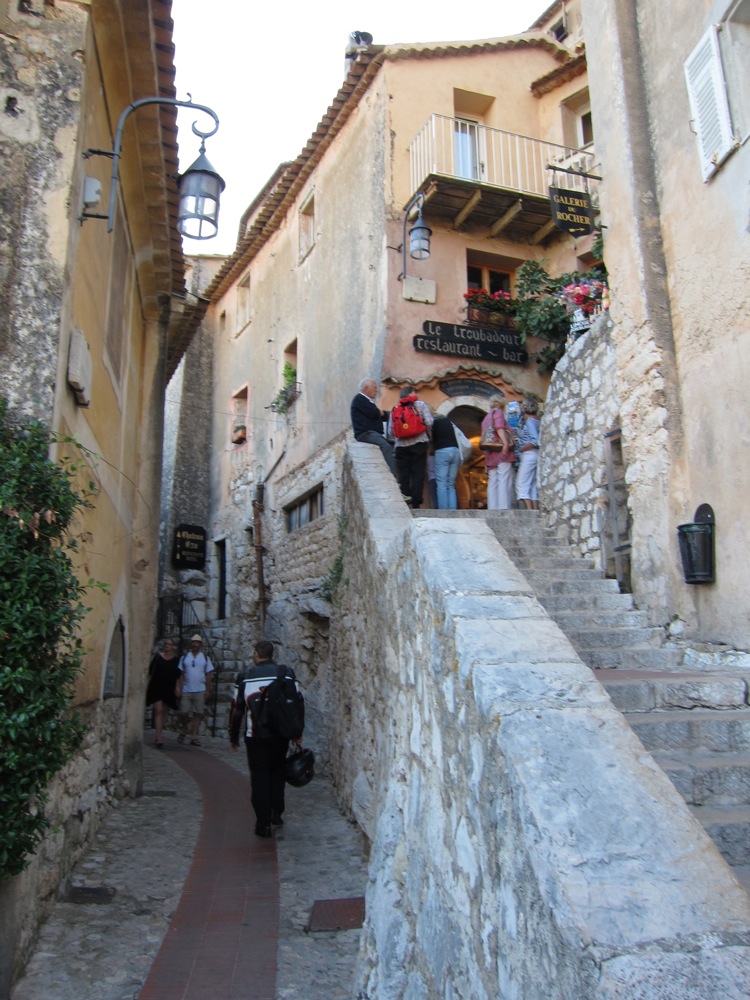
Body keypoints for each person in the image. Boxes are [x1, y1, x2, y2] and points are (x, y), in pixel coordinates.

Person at [229, 640, 301, 838]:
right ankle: (276, 813)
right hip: (280, 734)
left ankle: (263, 823)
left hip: (256, 735)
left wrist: (233, 737)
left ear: (256, 654)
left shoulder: (245, 678)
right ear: (272, 654)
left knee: (259, 777)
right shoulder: (287, 674)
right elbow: (297, 703)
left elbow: (236, 709)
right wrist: (297, 733)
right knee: (277, 772)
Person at [387, 385, 433, 509]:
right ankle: (416, 503)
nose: (417, 395)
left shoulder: (395, 409)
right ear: (410, 394)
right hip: (419, 443)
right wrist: (425, 432)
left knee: (403, 474)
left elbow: (390, 432)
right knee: (418, 473)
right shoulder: (420, 405)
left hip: (401, 447)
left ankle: (405, 502)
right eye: (415, 393)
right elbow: (429, 422)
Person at [350, 377, 397, 476]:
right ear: (366, 388)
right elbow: (373, 413)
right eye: (374, 387)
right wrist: (378, 412)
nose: (376, 390)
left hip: (372, 433)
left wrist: (383, 413)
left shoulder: (367, 401)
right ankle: (392, 475)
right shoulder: (360, 399)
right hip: (366, 433)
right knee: (386, 447)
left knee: (392, 446)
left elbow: (382, 416)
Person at [177, 634, 213, 747]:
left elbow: (208, 675)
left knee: (198, 713)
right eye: (193, 642)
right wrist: (179, 687)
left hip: (200, 689)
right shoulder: (184, 658)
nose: (195, 644)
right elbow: (181, 674)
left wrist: (208, 690)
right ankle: (184, 728)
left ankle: (194, 736)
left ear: (200, 644)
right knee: (183, 712)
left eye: (197, 642)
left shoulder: (205, 658)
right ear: (191, 643)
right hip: (186, 689)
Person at [481, 393, 515, 510]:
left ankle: (493, 508)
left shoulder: (486, 418)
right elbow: (499, 426)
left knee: (493, 480)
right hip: (500, 450)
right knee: (504, 479)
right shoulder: (498, 412)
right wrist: (505, 444)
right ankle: (503, 508)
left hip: (490, 453)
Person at [145, 638, 181, 748]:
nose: (167, 646)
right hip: (157, 686)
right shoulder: (158, 657)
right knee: (158, 710)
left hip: (168, 688)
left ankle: (159, 734)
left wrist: (178, 688)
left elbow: (178, 675)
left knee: (163, 711)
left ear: (173, 646)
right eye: (165, 644)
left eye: (169, 644)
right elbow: (150, 670)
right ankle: (158, 737)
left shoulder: (176, 660)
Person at [516, 398, 541, 510]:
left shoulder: (530, 421)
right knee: (533, 484)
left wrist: (522, 448)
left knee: (521, 483)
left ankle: (529, 511)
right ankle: (535, 510)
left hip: (529, 454)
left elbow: (535, 440)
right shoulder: (537, 420)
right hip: (535, 455)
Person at [431, 415, 461, 509]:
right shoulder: (449, 422)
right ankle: (452, 509)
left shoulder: (434, 423)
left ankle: (443, 510)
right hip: (456, 451)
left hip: (442, 452)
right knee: (451, 484)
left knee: (441, 483)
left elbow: (431, 439)